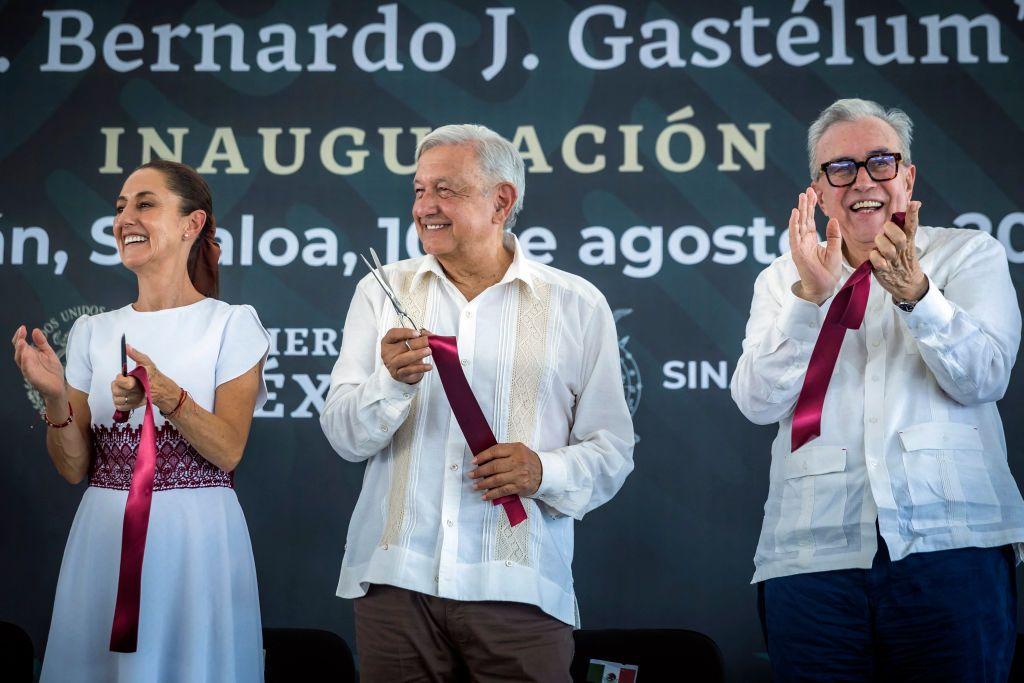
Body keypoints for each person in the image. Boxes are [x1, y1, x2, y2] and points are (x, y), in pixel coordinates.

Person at [320, 124, 635, 682]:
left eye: (447, 190)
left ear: (502, 201)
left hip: (518, 589)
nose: (425, 207)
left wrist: (543, 470)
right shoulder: (380, 291)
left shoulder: (578, 305)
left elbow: (612, 450)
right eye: (419, 191)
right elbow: (344, 436)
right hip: (396, 585)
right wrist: (390, 384)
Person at [731, 98, 1024, 680]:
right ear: (818, 188)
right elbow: (756, 401)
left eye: (881, 162)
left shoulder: (968, 255)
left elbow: (986, 378)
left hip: (953, 549)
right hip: (812, 557)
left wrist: (917, 294)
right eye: (841, 168)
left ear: (907, 176)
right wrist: (808, 303)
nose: (862, 181)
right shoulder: (782, 279)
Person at [13, 159, 270, 681]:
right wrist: (57, 399)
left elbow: (228, 450)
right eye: (120, 207)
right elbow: (72, 468)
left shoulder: (231, 324)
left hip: (197, 542)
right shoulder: (92, 331)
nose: (125, 217)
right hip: (103, 539)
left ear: (191, 224)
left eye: (145, 203)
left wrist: (166, 394)